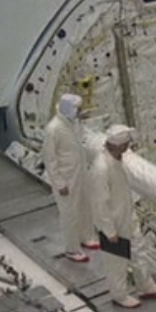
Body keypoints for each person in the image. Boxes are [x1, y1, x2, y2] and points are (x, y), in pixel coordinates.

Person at [89, 124, 156, 309]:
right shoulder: (101, 168)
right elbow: (99, 203)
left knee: (138, 250)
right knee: (116, 261)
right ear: (117, 145)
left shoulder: (116, 160)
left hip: (126, 215)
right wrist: (109, 231)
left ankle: (145, 285)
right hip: (113, 223)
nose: (128, 147)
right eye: (126, 144)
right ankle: (119, 295)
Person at [42, 93, 99, 264]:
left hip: (79, 172)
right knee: (69, 213)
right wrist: (59, 183)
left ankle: (87, 237)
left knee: (84, 206)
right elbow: (50, 159)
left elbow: (78, 141)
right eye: (78, 109)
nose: (80, 111)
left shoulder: (72, 123)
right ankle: (72, 249)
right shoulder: (53, 129)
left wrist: (80, 118)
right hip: (66, 178)